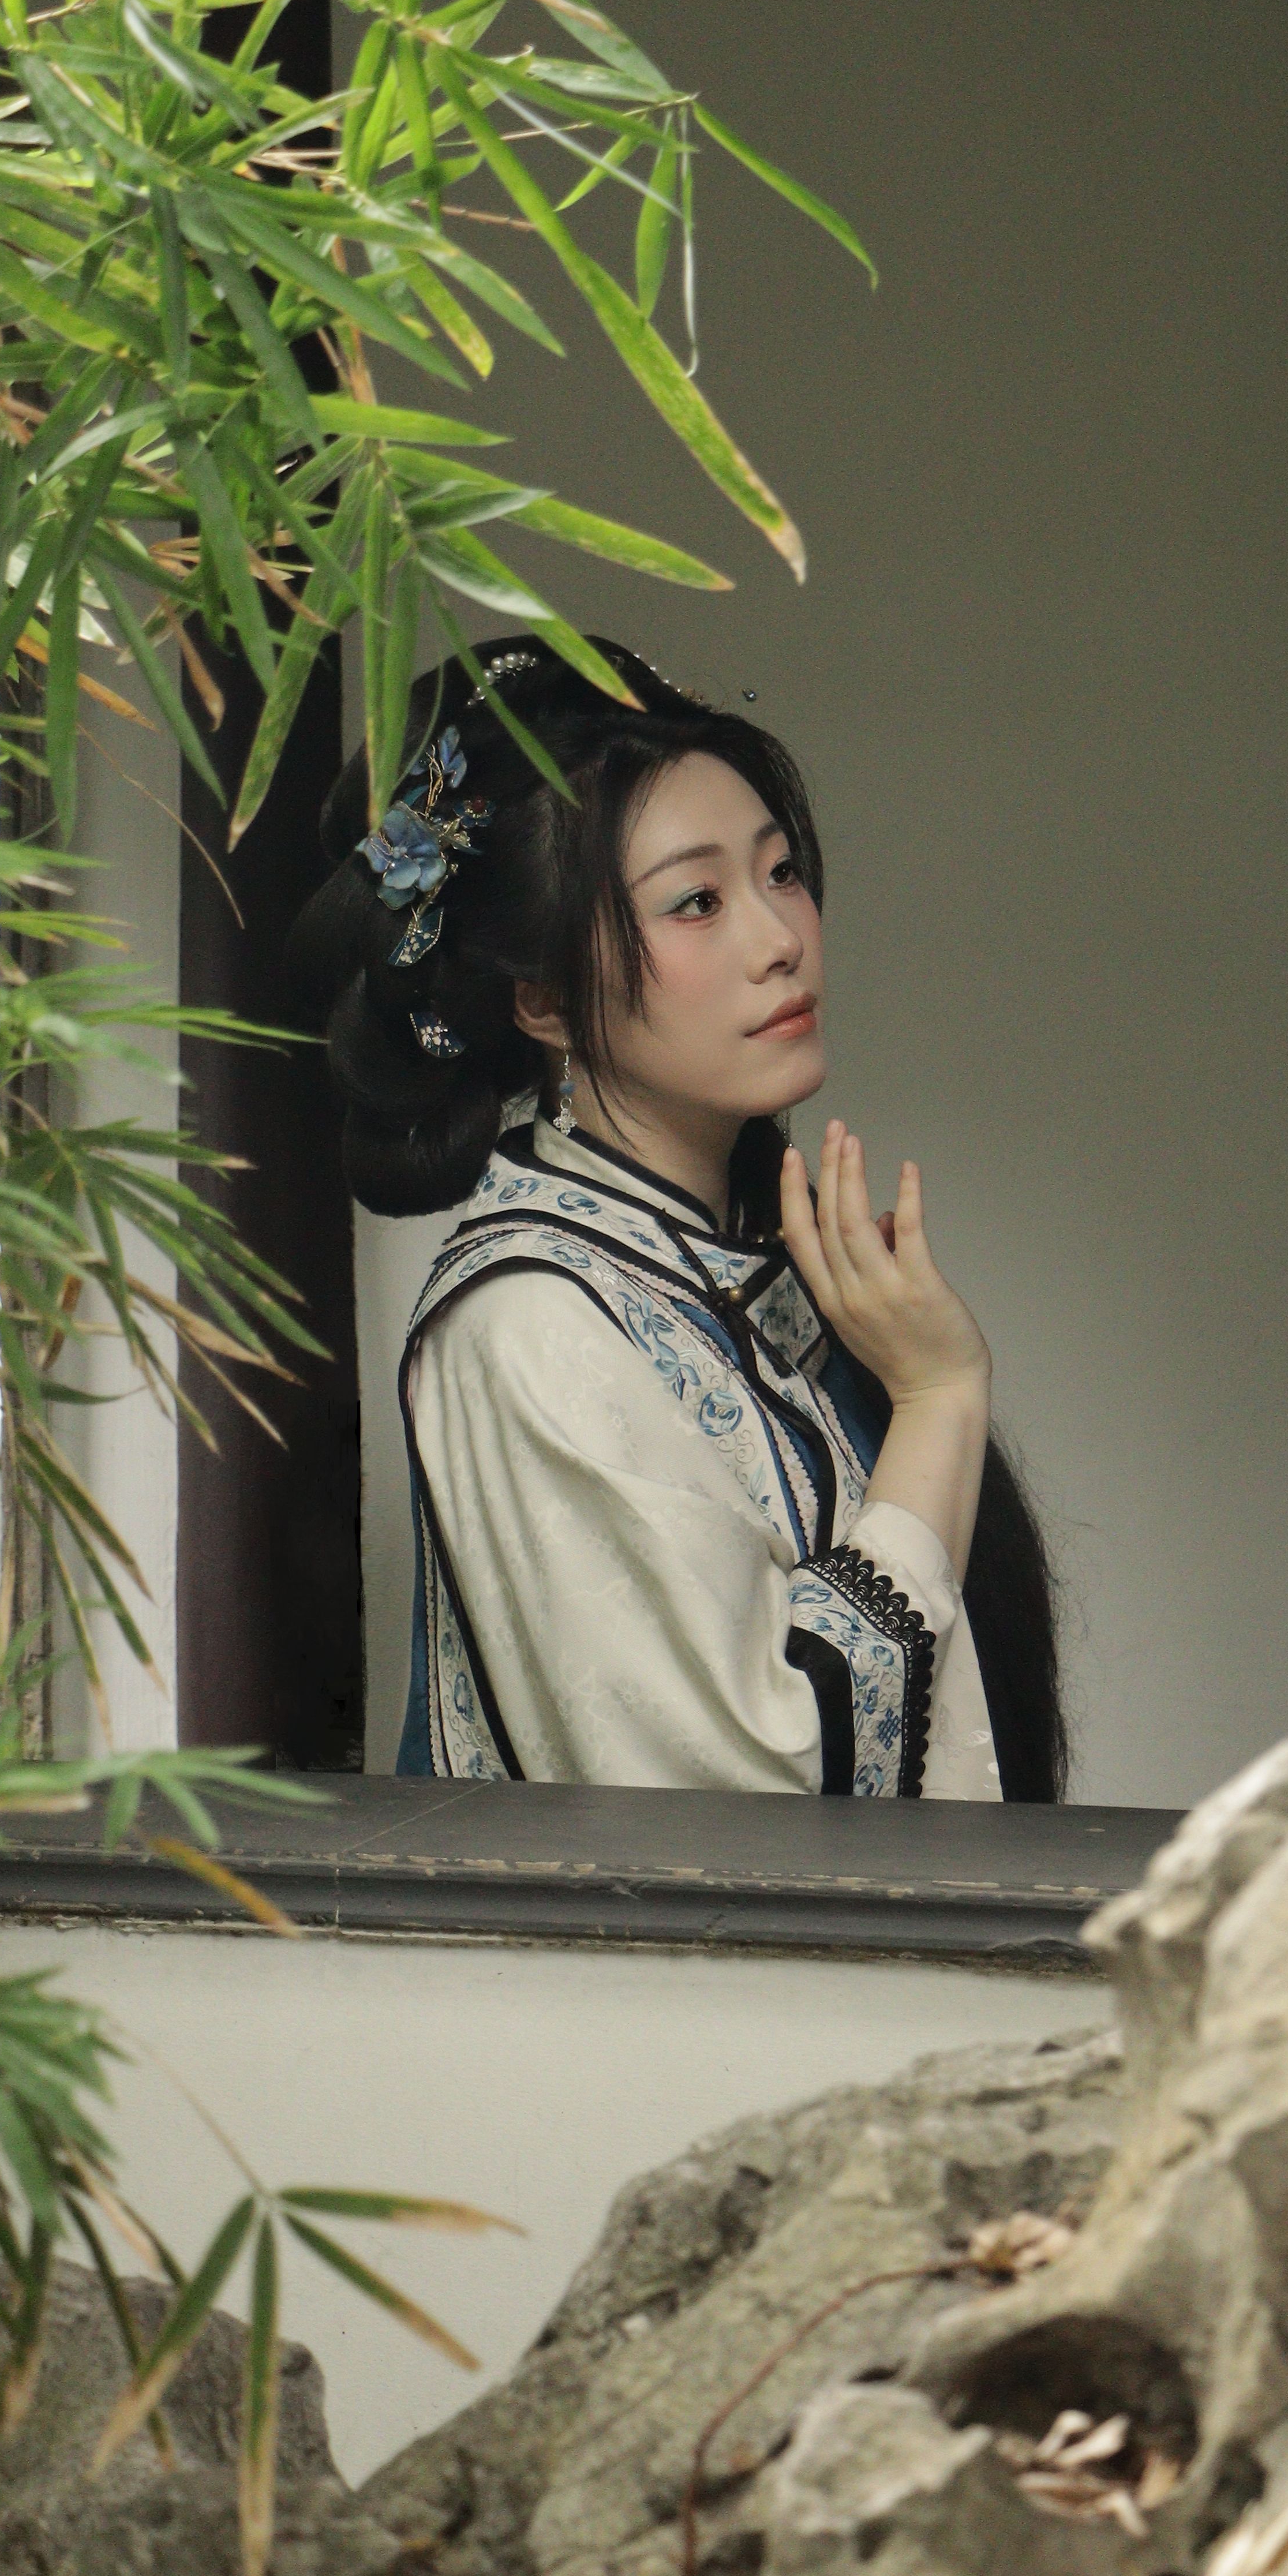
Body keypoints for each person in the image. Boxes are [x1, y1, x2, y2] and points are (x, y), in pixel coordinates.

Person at [289, 638, 1068, 1800]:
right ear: (544, 1000)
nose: (780, 938)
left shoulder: (750, 1264)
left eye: (780, 872)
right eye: (697, 901)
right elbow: (744, 1793)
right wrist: (940, 1396)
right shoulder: (532, 1325)